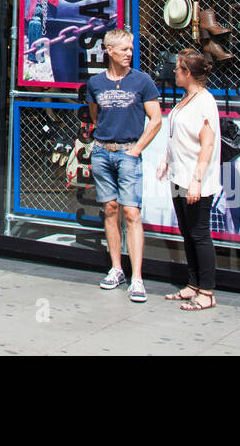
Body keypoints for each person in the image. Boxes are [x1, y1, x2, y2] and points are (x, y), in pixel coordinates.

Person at [84, 29, 162, 302]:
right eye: (124, 49)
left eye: (131, 48)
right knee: (110, 208)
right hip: (103, 151)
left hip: (129, 151)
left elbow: (156, 119)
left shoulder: (142, 81)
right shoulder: (95, 83)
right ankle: (116, 268)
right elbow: (96, 116)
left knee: (132, 213)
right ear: (109, 51)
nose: (130, 53)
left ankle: (137, 276)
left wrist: (137, 149)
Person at [155, 49, 221, 311]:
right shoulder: (186, 98)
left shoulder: (205, 101)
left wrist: (197, 180)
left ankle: (207, 291)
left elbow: (207, 144)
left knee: (199, 233)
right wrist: (167, 159)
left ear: (189, 73)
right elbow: (179, 136)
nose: (174, 71)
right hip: (179, 176)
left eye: (179, 68)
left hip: (196, 180)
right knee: (187, 232)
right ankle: (193, 284)